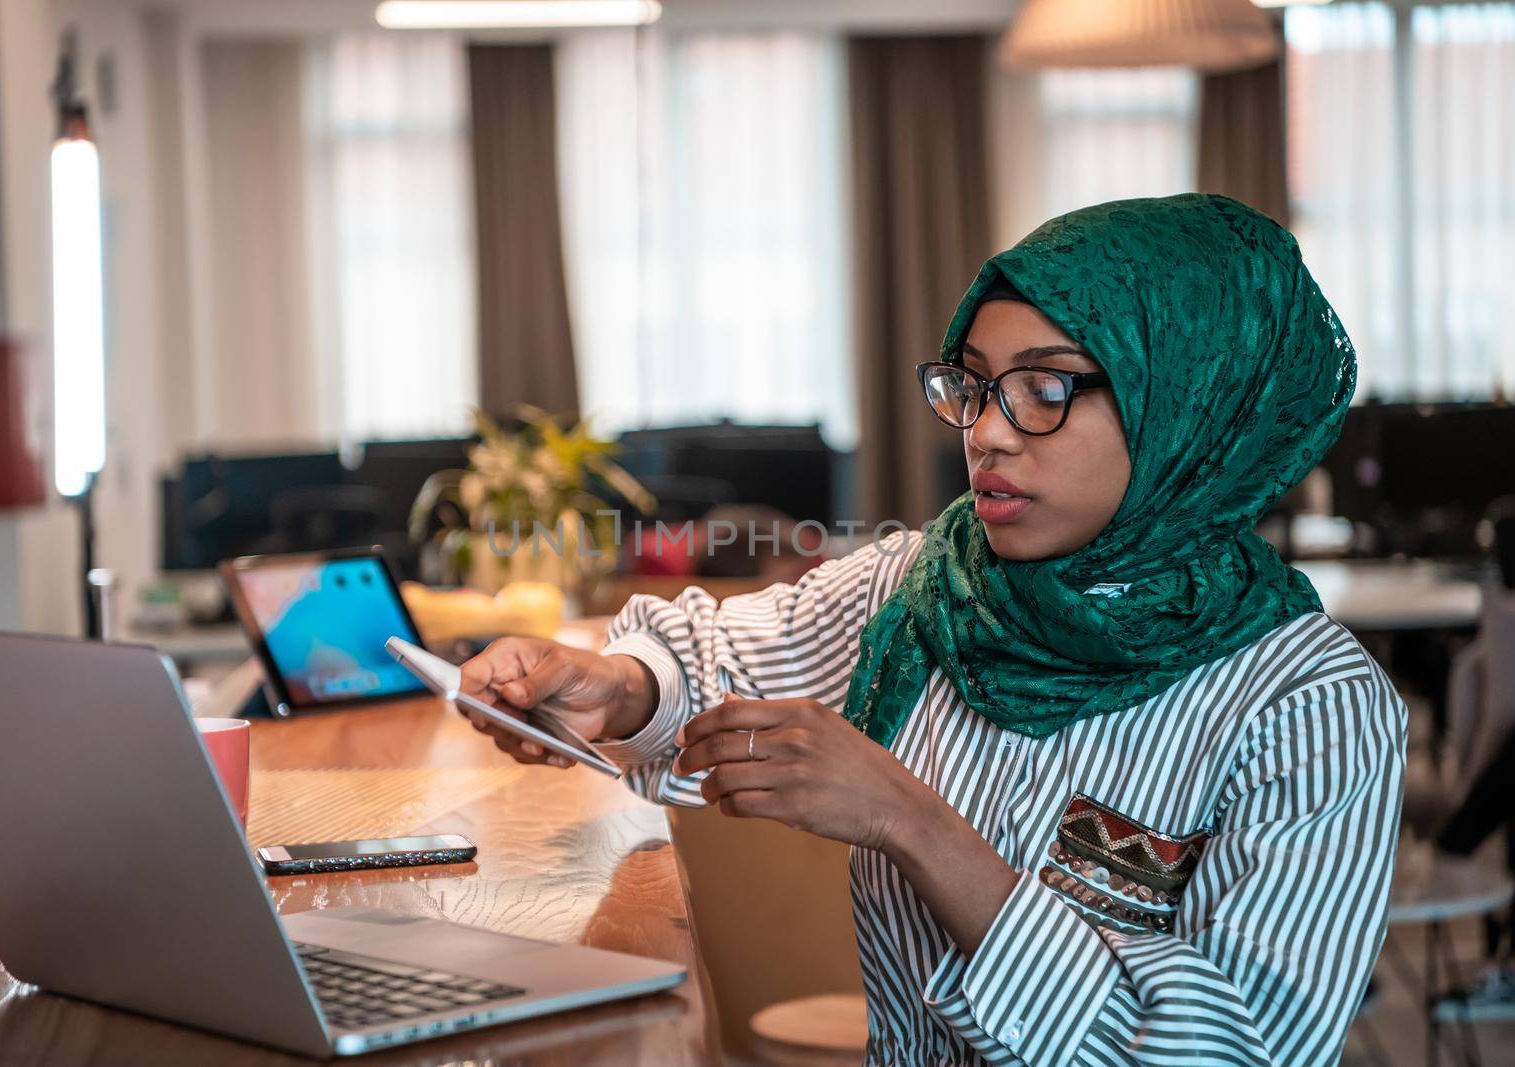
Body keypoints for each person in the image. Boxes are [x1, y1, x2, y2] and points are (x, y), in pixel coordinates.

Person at [459, 194, 1407, 1066]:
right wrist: (613, 686)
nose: (986, 433)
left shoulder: (1311, 709)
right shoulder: (928, 590)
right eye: (975, 385)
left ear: (1189, 408)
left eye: (1045, 389)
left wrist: (911, 821)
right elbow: (720, 664)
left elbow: (1240, 1048)